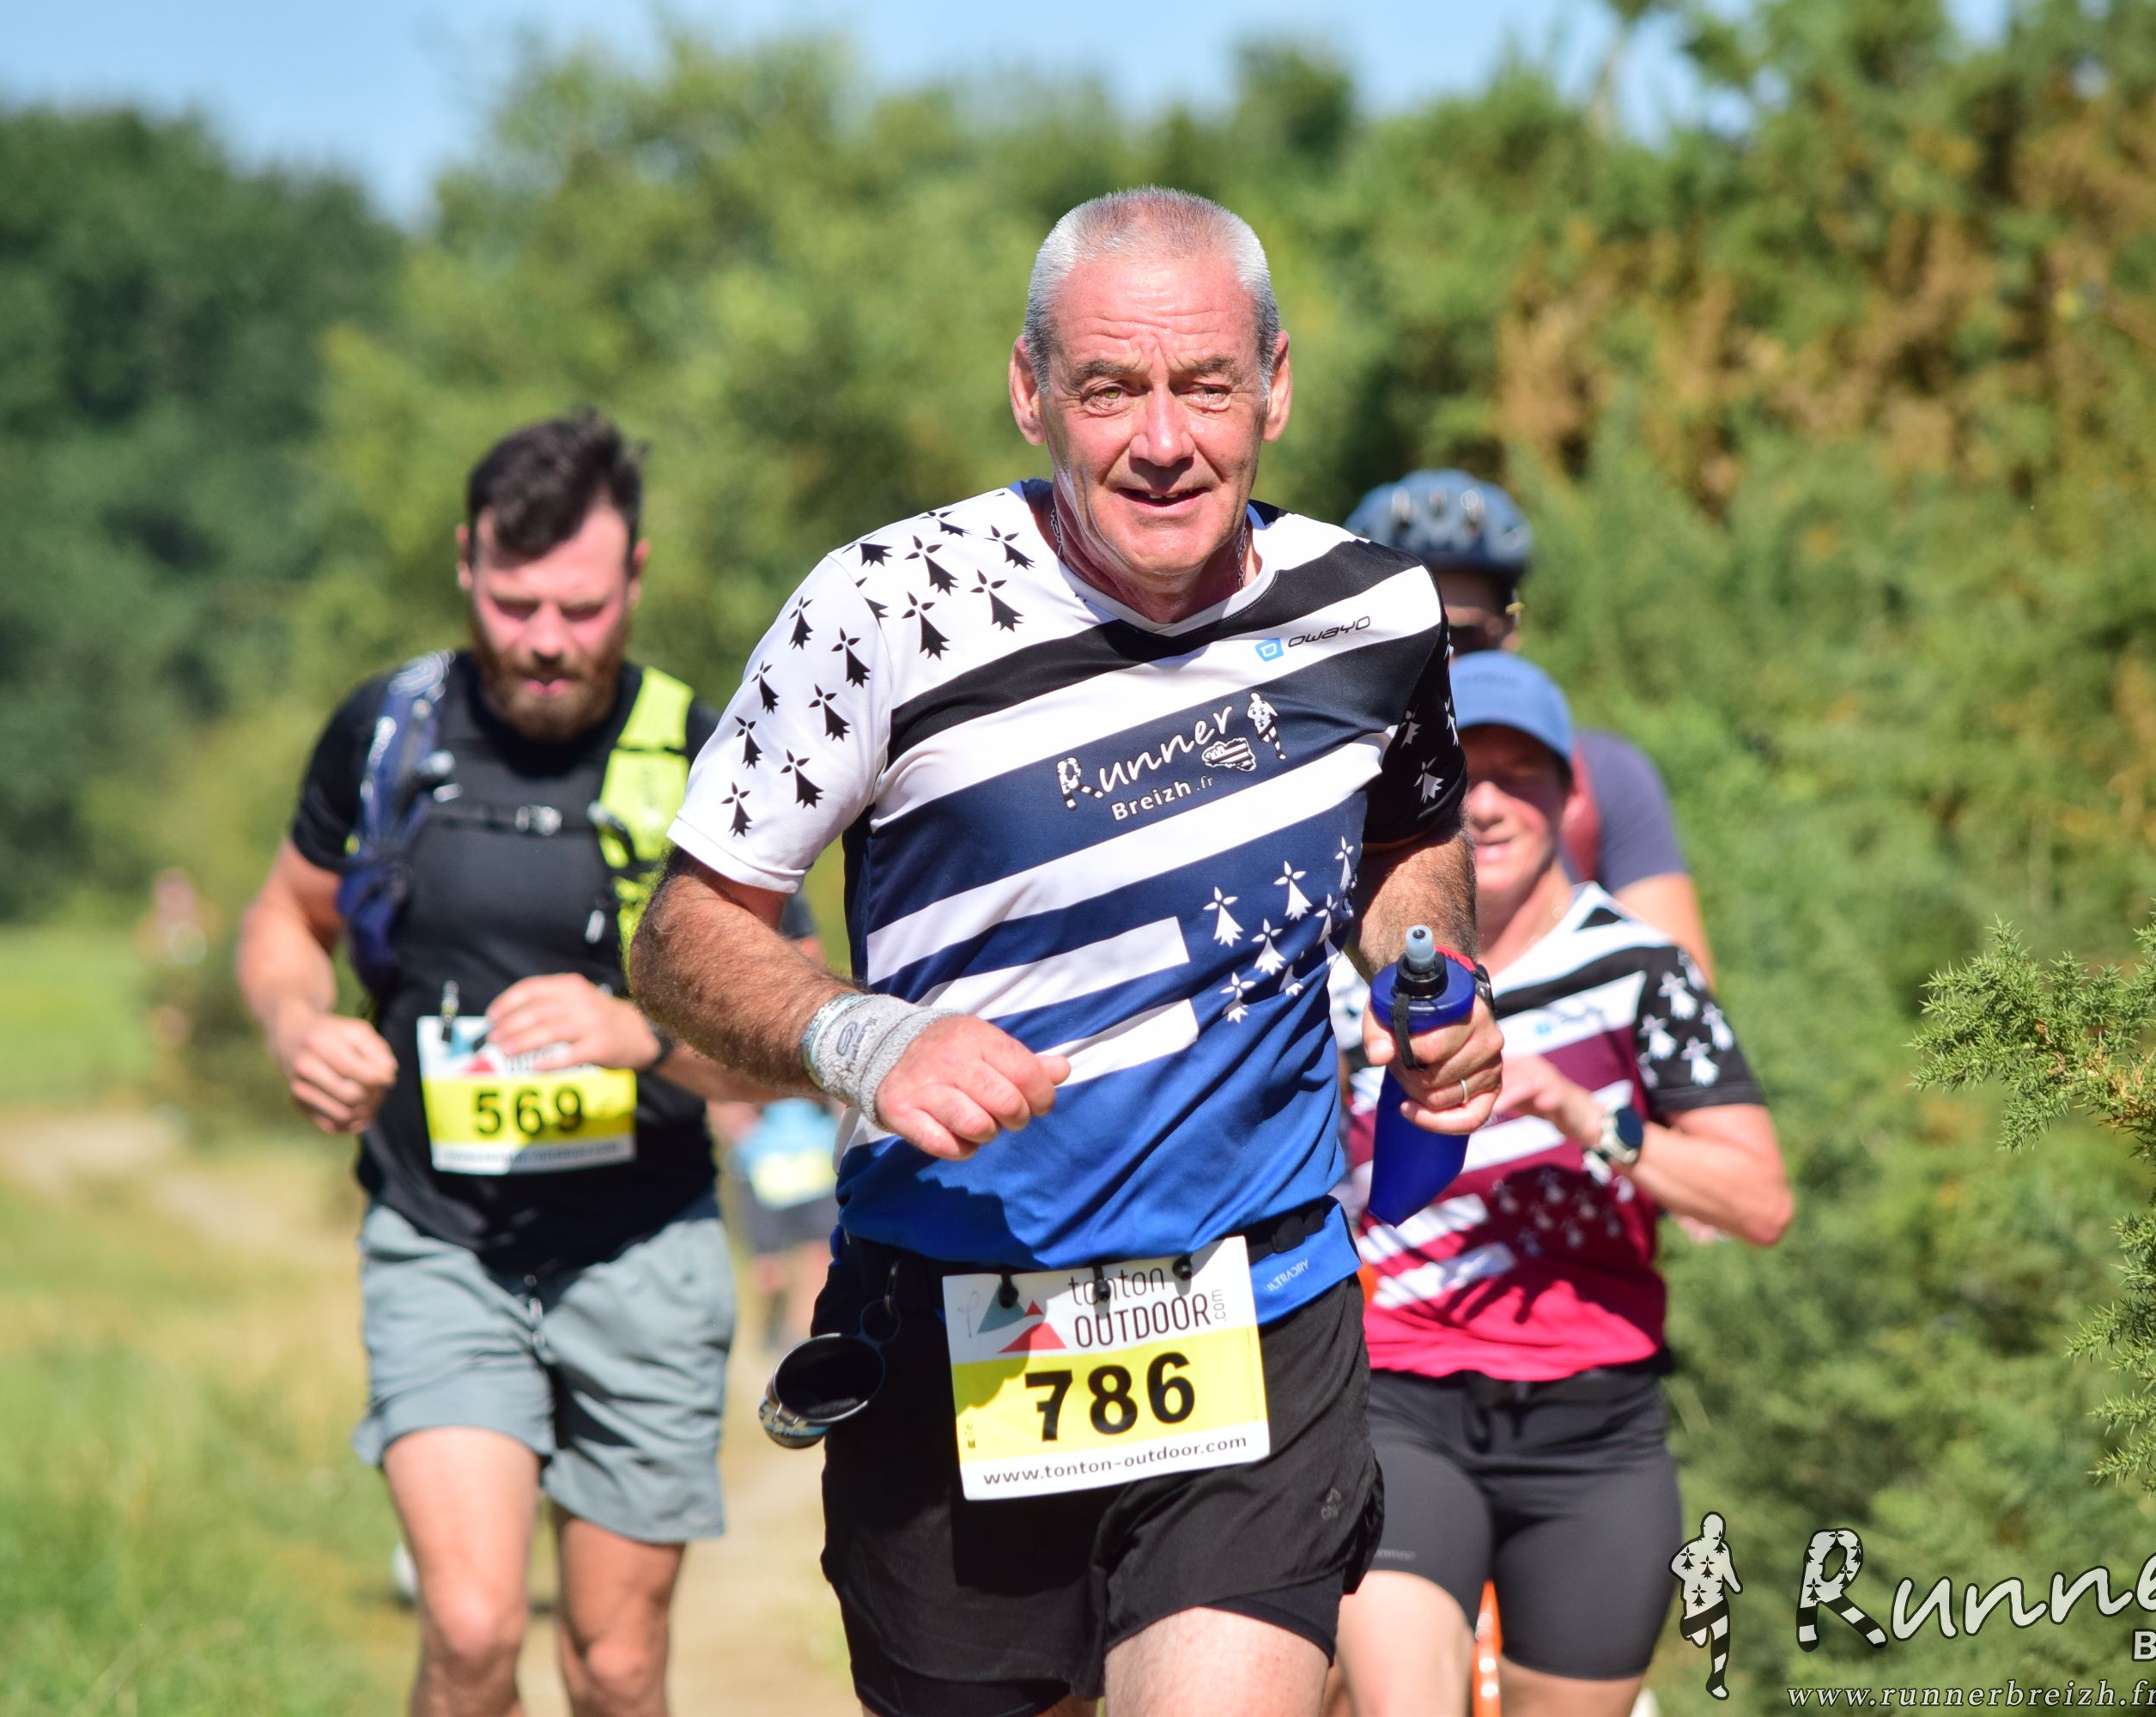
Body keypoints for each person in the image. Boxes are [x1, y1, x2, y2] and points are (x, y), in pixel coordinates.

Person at [628, 187, 1508, 1717]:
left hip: (1257, 1302)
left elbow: (1405, 841)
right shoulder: (882, 610)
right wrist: (867, 1039)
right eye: (1109, 389)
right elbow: (682, 935)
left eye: (1205, 385)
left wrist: (1427, 977)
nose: (1161, 440)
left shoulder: (1374, 611)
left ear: (1276, 387)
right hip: (954, 1316)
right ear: (1030, 389)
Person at [235, 410, 798, 1717]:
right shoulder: (388, 732)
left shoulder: (705, 752)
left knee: (615, 1665)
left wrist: (642, 1035)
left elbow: (792, 1045)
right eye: (514, 601)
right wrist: (298, 1027)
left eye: (582, 608)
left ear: (636, 578)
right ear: (465, 564)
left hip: (642, 1251)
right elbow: (285, 919)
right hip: (442, 1243)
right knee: (473, 1630)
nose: (547, 638)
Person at [1332, 652, 1792, 1717]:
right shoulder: (1347, 978)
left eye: (1521, 775)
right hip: (1397, 1394)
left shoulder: (1642, 971)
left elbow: (1759, 1201)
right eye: (1463, 777)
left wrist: (1588, 1114)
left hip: (1596, 1424)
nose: (1488, 805)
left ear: (1571, 795)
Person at [1343, 470, 1715, 982]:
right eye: (1410, 637)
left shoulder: (1606, 775)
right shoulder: (1313, 779)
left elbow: (1677, 994)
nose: (1436, 661)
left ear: (1509, 632)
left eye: (1461, 636)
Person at [714, 1095, 842, 1351]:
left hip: (816, 1167)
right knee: (769, 1273)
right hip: (760, 1169)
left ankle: (803, 1341)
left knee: (819, 1263)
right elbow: (721, 1098)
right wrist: (737, 1128)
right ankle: (773, 1328)